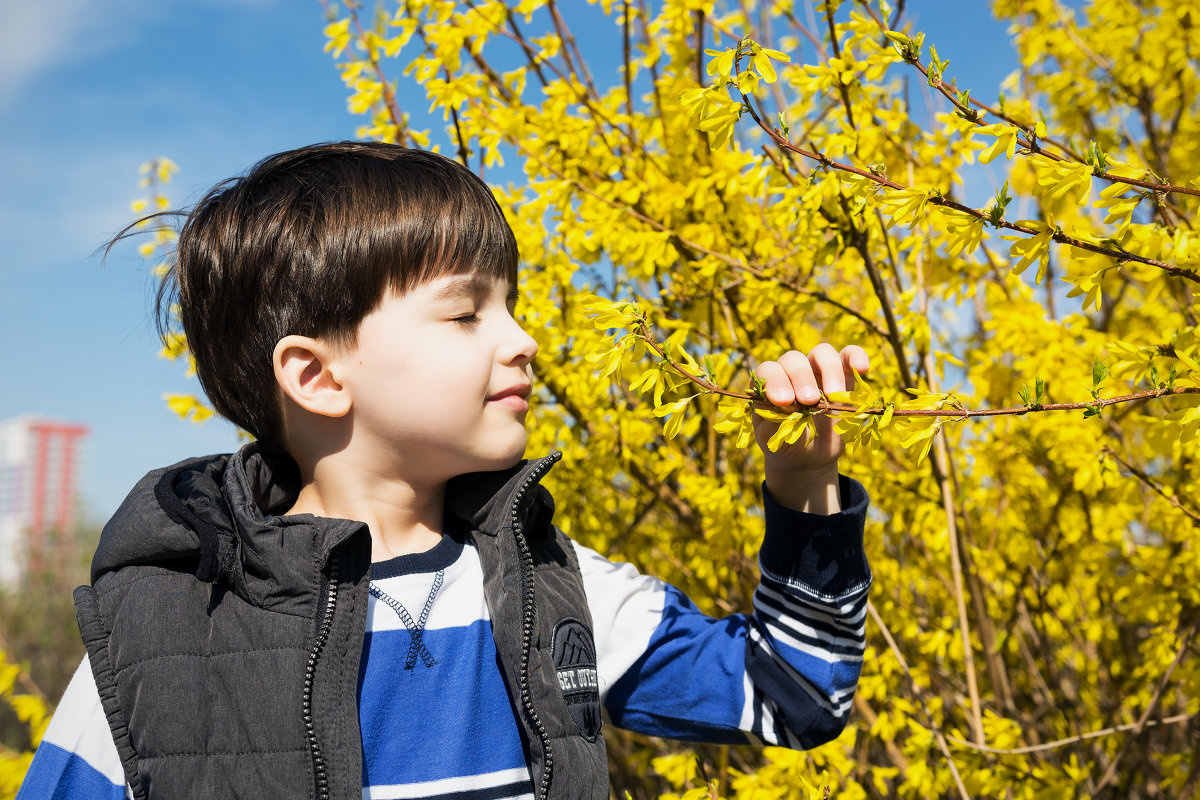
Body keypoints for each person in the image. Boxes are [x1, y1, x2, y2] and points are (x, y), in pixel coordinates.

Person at [17, 142, 872, 800]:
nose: (523, 339)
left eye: (510, 301)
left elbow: (794, 694)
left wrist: (805, 495)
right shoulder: (158, 639)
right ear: (316, 375)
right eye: (466, 312)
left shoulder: (551, 588)